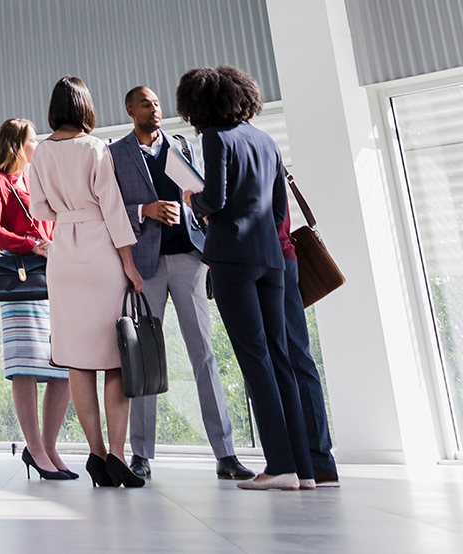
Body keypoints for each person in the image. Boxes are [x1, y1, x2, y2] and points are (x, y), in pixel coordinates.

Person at [178, 65, 314, 491]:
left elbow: (214, 200)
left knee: (254, 359)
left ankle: (278, 466)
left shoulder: (215, 138)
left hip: (233, 260)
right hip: (272, 259)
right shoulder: (265, 139)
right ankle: (303, 470)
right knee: (281, 359)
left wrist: (192, 198)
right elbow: (278, 212)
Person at [109, 86, 254, 481]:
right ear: (129, 110)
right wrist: (145, 210)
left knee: (204, 356)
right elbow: (108, 207)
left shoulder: (181, 146)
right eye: (145, 104)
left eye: (157, 104)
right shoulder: (115, 152)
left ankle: (225, 454)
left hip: (190, 259)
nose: (154, 109)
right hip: (145, 266)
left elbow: (203, 193)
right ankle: (140, 454)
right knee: (143, 360)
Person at [29, 77, 145, 488]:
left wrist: (65, 216)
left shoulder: (40, 153)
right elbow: (113, 210)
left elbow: (38, 207)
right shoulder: (96, 148)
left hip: (63, 256)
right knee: (116, 355)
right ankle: (117, 454)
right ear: (85, 107)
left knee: (78, 359)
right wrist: (130, 264)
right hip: (100, 252)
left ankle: (94, 453)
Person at [0, 118, 74, 481]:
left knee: (63, 365)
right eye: (34, 139)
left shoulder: (37, 182)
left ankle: (49, 448)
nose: (40, 144)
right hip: (22, 281)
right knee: (26, 364)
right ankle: (34, 449)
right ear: (18, 145)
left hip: (53, 278)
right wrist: (32, 244)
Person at [278, 202, 340, 487]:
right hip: (284, 260)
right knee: (299, 359)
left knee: (288, 362)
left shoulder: (243, 157)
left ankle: (308, 460)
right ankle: (317, 460)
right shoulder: (271, 157)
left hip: (268, 262)